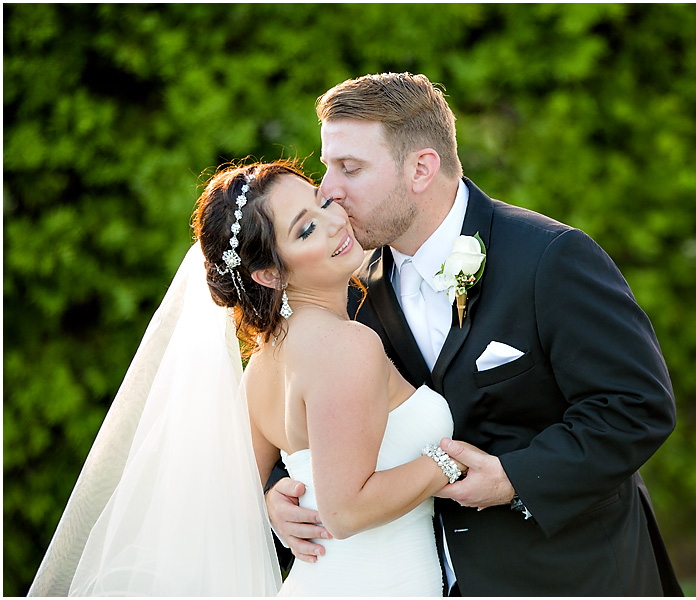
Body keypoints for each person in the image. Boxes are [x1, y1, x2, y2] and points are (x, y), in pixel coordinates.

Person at [266, 73, 683, 596]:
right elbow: (293, 419)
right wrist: (276, 496)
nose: (328, 190)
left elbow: (636, 404)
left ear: (421, 168)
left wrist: (515, 477)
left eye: (350, 168)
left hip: (571, 576)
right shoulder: (347, 289)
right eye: (328, 167)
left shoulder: (549, 258)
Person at [28, 160, 466, 596]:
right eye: (306, 230)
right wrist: (447, 464)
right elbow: (346, 511)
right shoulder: (347, 346)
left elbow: (235, 495)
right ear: (269, 274)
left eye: (323, 200)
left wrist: (275, 501)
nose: (334, 221)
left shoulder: (262, 364)